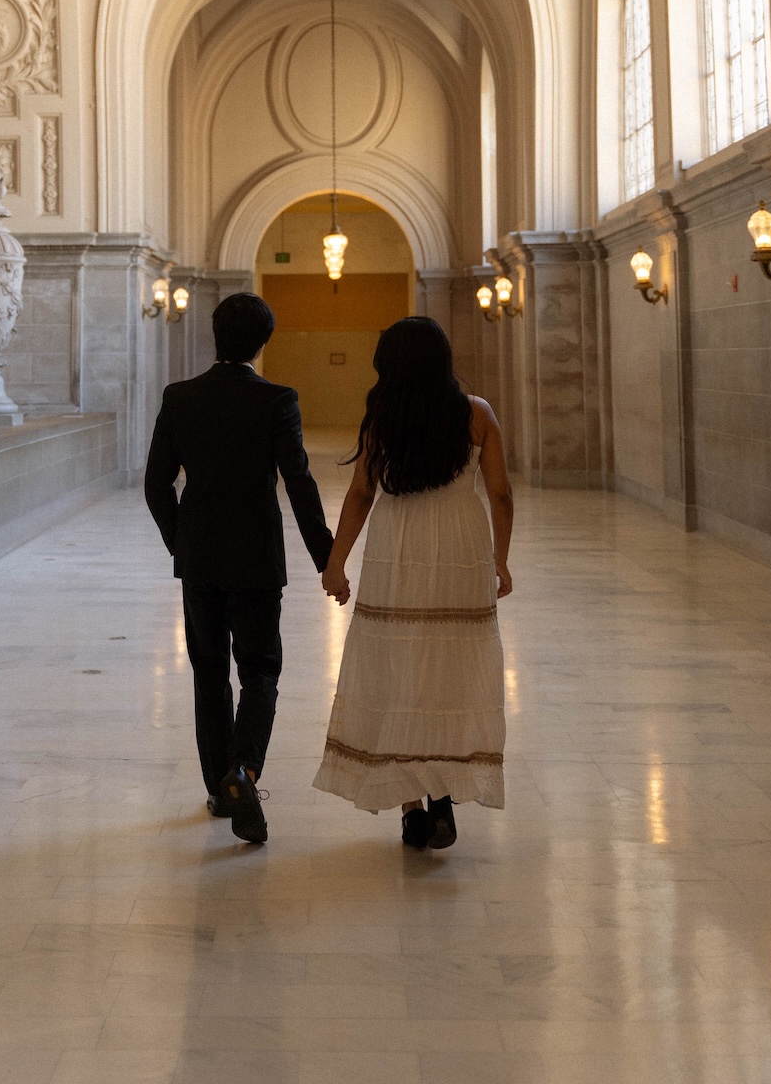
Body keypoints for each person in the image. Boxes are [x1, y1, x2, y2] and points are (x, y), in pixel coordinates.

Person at [313, 316, 513, 849]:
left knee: (397, 663)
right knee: (450, 664)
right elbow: (500, 494)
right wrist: (502, 559)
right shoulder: (477, 415)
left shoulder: (383, 417)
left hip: (398, 547)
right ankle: (443, 795)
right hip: (460, 546)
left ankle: (412, 808)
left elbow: (360, 495)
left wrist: (336, 563)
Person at [144, 291, 334, 845]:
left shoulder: (180, 398)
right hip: (256, 559)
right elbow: (298, 482)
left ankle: (218, 788)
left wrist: (181, 540)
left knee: (209, 672)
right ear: (262, 342)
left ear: (214, 335)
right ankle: (244, 771)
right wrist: (327, 558)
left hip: (199, 558)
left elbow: (157, 484)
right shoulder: (277, 400)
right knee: (259, 669)